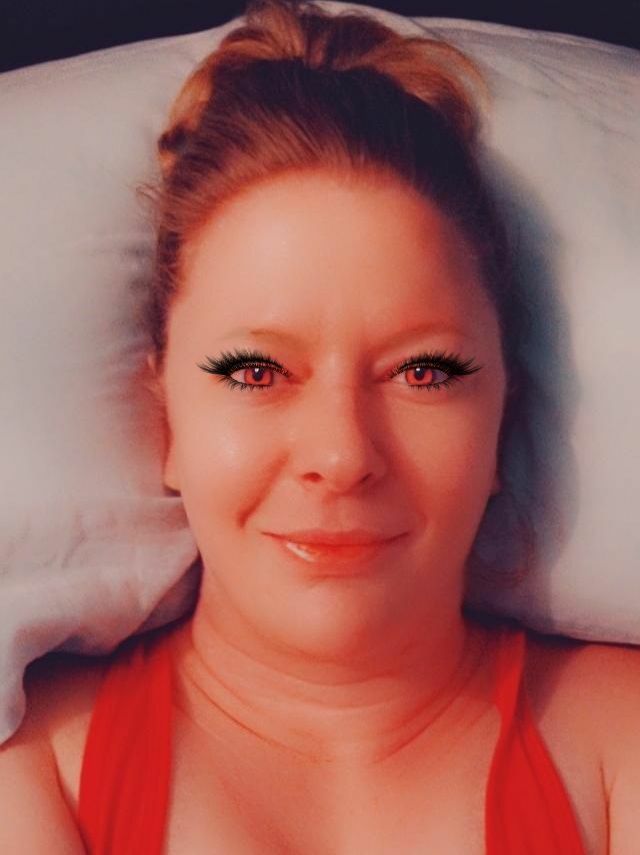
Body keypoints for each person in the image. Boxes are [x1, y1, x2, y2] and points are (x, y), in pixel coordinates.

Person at [1, 1, 638, 852]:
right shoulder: (38, 767)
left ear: (504, 414)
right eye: (256, 372)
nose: (341, 455)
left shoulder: (618, 746)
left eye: (423, 372)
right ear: (168, 418)